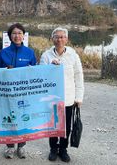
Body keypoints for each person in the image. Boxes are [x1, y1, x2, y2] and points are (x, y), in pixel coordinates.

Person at [40, 27, 84, 163]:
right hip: (52, 98)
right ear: (52, 39)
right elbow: (40, 75)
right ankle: (53, 149)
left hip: (68, 98)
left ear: (67, 39)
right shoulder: (46, 56)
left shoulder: (73, 55)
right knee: (53, 126)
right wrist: (49, 68)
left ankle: (63, 150)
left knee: (66, 126)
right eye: (57, 37)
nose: (60, 39)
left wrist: (79, 97)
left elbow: (78, 76)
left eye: (62, 37)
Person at [0, 23, 37, 159]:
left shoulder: (30, 53)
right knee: (9, 118)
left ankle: (21, 147)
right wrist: (6, 71)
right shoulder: (4, 53)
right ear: (10, 36)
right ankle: (10, 147)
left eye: (19, 33)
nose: (17, 36)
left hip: (23, 94)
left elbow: (35, 73)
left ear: (23, 35)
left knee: (23, 119)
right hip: (7, 93)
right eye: (14, 33)